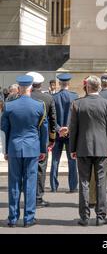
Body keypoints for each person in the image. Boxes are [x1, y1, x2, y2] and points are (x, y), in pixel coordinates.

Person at [0, 75, 48, 228]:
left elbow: (4, 128)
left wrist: (6, 149)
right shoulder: (39, 105)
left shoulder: (9, 105)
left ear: (19, 88)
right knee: (30, 183)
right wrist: (43, 149)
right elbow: (44, 130)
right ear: (31, 87)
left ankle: (13, 218)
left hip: (14, 147)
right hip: (32, 148)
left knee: (14, 183)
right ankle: (28, 218)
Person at [69, 76, 107, 226]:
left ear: (88, 87)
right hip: (102, 148)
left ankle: (84, 216)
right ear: (99, 87)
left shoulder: (78, 104)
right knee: (101, 182)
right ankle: (101, 216)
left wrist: (72, 148)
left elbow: (73, 129)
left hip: (83, 147)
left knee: (84, 182)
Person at [27, 72, 57, 208]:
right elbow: (52, 120)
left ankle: (28, 196)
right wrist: (52, 139)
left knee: (26, 168)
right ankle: (38, 198)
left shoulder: (20, 97)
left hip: (26, 138)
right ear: (41, 84)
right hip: (42, 138)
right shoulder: (48, 98)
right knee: (40, 168)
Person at [50, 73, 78, 193]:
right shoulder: (74, 96)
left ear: (59, 83)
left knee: (55, 160)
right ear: (69, 83)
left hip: (57, 133)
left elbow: (52, 117)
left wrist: (58, 129)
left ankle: (53, 186)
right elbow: (76, 117)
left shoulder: (54, 97)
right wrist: (68, 128)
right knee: (72, 160)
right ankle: (72, 186)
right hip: (70, 133)